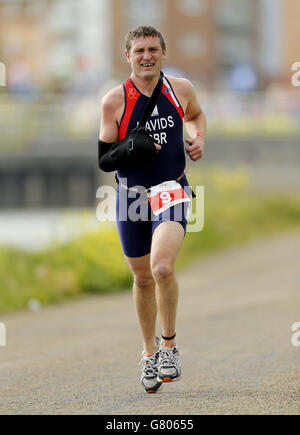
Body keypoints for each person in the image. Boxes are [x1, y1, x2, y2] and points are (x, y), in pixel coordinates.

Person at [99, 25, 206, 393]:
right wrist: (135, 148)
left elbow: (196, 117)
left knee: (162, 267)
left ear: (164, 51)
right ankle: (148, 355)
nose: (146, 56)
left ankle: (169, 346)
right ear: (127, 56)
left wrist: (198, 140)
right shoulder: (114, 100)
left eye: (153, 49)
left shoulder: (181, 89)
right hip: (130, 196)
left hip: (171, 189)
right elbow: (104, 159)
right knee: (142, 278)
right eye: (139, 50)